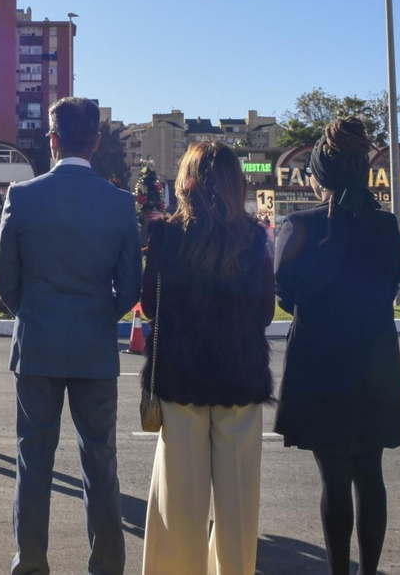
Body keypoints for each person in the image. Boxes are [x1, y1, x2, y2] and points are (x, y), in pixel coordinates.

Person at [0, 96, 141, 575]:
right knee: (100, 460)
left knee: (32, 460)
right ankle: (105, 565)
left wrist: (34, 314)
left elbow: (6, 281)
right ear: (96, 142)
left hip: (37, 343)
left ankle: (31, 562)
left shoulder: (23, 196)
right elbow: (131, 287)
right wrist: (99, 314)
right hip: (94, 347)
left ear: (51, 140)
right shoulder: (120, 204)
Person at [274, 118, 400, 575]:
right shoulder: (387, 226)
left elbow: (286, 295)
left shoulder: (297, 226)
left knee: (334, 479)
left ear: (321, 176)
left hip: (318, 369)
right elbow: (392, 280)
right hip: (374, 364)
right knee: (370, 474)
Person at [141, 141, 274, 575]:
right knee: (238, 507)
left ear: (187, 182)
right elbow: (267, 310)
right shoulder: (253, 237)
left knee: (178, 505)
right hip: (240, 377)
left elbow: (149, 303)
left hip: (180, 379)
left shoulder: (165, 235)